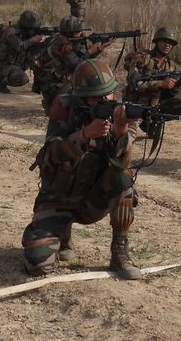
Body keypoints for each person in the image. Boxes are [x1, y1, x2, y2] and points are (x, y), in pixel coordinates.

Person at [21, 59, 141, 279]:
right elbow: (51, 155)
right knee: (38, 266)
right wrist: (84, 135)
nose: (105, 100)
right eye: (97, 96)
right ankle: (61, 233)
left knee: (123, 179)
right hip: (58, 198)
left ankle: (119, 252)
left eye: (109, 94)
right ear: (82, 97)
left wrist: (120, 129)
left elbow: (121, 163)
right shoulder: (65, 108)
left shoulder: (122, 113)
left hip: (91, 201)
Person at [123, 26, 181, 113]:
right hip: (136, 105)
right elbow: (134, 84)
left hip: (155, 106)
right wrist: (159, 83)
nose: (167, 45)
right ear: (157, 42)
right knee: (131, 126)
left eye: (170, 43)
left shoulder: (170, 66)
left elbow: (169, 94)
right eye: (164, 41)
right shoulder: (142, 58)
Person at [0, 10, 46, 93]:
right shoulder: (11, 31)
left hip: (20, 62)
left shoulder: (26, 34)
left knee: (39, 62)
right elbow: (19, 46)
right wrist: (33, 40)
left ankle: (37, 86)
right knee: (22, 79)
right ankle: (0, 81)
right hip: (4, 65)